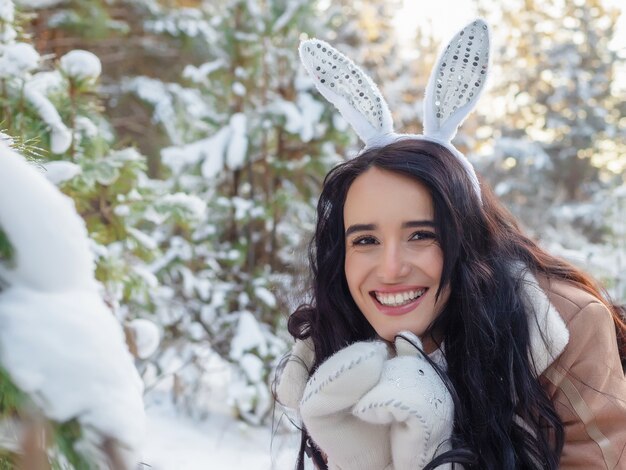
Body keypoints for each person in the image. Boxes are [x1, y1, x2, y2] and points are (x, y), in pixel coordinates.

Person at [275, 18, 626, 470]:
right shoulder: (338, 345)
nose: (390, 268)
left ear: (469, 237)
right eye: (365, 239)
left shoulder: (560, 329)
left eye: (422, 234)